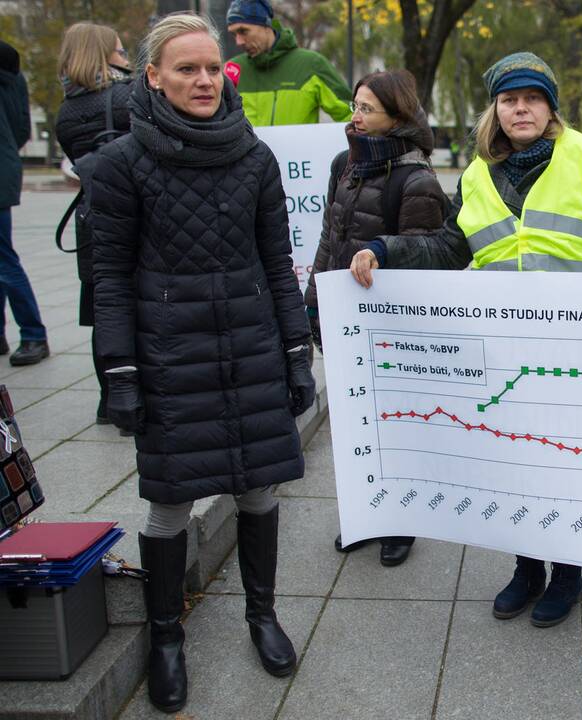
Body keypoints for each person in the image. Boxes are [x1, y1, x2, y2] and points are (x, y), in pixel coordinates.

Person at [348, 51, 582, 628]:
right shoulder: (474, 174)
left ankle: (567, 574)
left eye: (533, 98)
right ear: (496, 108)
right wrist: (387, 251)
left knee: (564, 466)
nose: (521, 108)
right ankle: (526, 568)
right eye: (510, 99)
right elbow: (446, 248)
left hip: (572, 352)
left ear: (550, 107)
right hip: (502, 351)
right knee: (511, 460)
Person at [90, 13, 316, 713]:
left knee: (257, 490)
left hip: (249, 348)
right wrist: (120, 374)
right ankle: (164, 636)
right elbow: (111, 280)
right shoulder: (120, 165)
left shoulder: (255, 157)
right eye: (186, 68)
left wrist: (294, 353)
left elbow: (278, 265)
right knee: (169, 503)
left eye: (212, 67)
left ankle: (262, 614)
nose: (203, 80)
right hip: (170, 356)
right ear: (151, 76)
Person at [304, 69, 448, 567]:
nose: (355, 116)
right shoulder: (344, 163)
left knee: (396, 425)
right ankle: (364, 514)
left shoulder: (418, 180)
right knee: (353, 424)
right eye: (354, 105)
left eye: (366, 108)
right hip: (343, 320)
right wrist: (312, 298)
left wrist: (381, 256)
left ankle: (400, 521)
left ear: (398, 116)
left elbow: (425, 257)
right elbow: (329, 236)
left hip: (392, 331)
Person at [55, 22, 134, 428]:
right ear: (106, 55)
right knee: (136, 301)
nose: (127, 58)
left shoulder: (66, 111)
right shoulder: (128, 95)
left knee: (103, 306)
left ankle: (108, 399)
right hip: (131, 213)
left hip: (90, 217)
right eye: (120, 51)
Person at [224, 0, 351, 126]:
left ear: (267, 25)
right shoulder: (231, 70)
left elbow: (353, 116)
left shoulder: (312, 64)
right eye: (234, 34)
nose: (238, 41)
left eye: (243, 31)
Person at [0, 40, 49, 366]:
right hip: (5, 162)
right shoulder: (10, 66)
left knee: (3, 258)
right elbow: (20, 126)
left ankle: (33, 334)